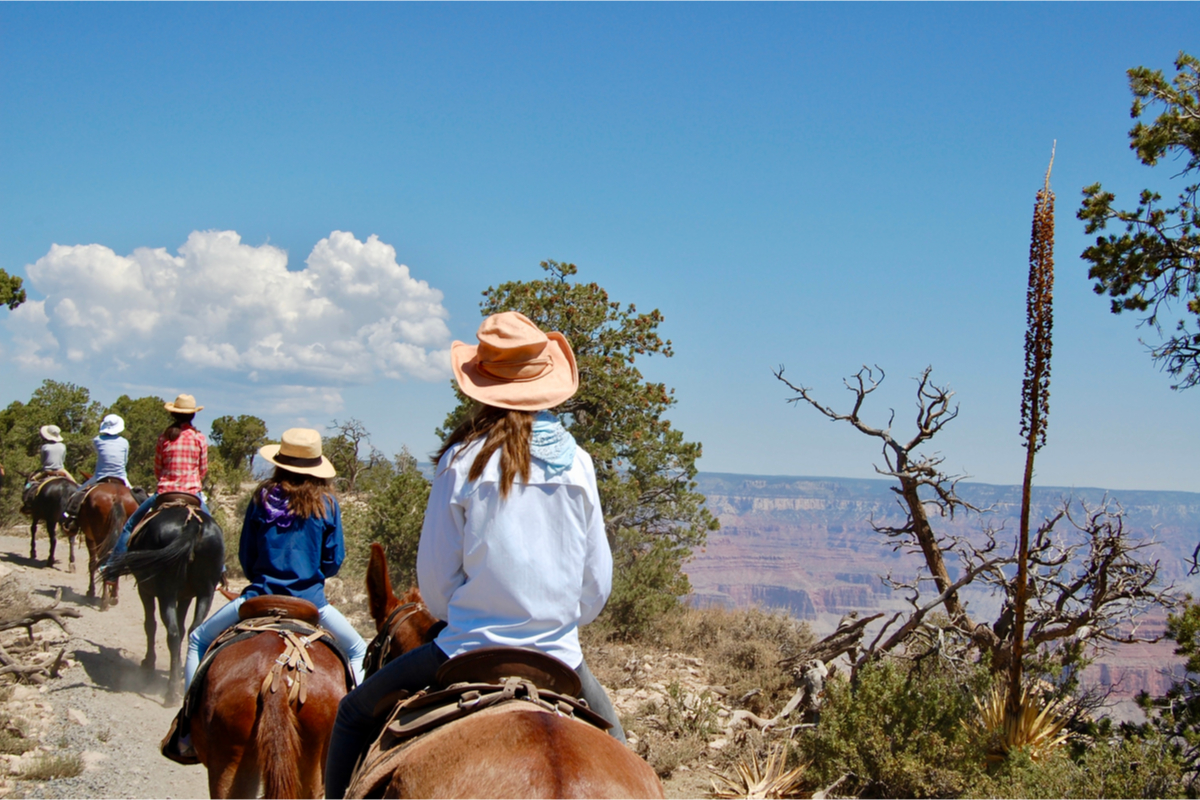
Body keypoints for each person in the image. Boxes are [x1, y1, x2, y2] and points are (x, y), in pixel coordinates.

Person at [324, 311, 623, 799]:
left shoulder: (461, 461)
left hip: (465, 649)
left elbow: (437, 588)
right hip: (560, 657)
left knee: (353, 713)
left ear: (481, 384)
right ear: (545, 381)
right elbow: (595, 590)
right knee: (622, 750)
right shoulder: (580, 465)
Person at [182, 427, 368, 688]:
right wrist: (308, 577)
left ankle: (186, 724)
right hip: (310, 601)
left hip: (260, 595)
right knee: (360, 650)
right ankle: (356, 727)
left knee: (198, 640)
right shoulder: (327, 502)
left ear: (280, 463)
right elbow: (333, 561)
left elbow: (247, 554)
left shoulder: (263, 496)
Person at [102, 394, 209, 595]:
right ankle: (220, 570)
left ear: (172, 414)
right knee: (212, 524)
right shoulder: (199, 438)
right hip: (192, 494)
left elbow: (158, 469)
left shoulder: (164, 437)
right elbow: (203, 469)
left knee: (130, 526)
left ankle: (112, 569)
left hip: (165, 493)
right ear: (193, 415)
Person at [63, 414, 130, 531]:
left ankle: (71, 520)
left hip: (100, 476)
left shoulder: (97, 440)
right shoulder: (124, 442)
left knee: (76, 495)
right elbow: (125, 461)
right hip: (121, 476)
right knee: (140, 498)